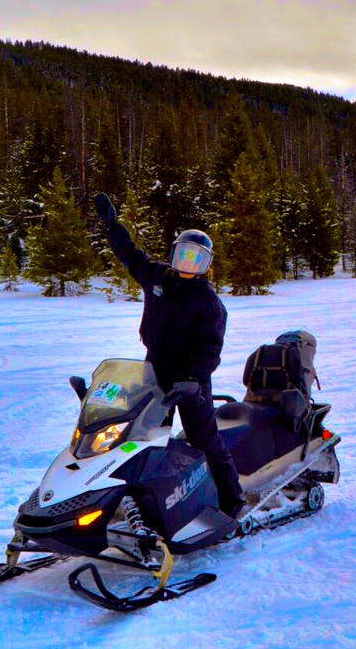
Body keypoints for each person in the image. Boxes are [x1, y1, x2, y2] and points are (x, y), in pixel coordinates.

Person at [93, 193, 245, 520]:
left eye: (197, 259)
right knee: (144, 438)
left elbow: (210, 350)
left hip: (191, 379)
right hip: (154, 370)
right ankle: (148, 500)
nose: (188, 264)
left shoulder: (209, 303)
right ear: (174, 255)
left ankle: (233, 502)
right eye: (183, 255)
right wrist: (111, 226)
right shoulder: (157, 277)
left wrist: (193, 380)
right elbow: (129, 254)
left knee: (204, 439)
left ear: (206, 266)